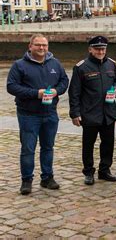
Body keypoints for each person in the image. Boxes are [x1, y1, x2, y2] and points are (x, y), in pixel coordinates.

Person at [7, 34, 69, 195]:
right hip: (28, 115)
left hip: (50, 113)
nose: (41, 48)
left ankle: (47, 177)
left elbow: (64, 81)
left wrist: (57, 91)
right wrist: (36, 93)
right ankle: (26, 180)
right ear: (30, 46)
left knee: (48, 147)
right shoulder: (19, 65)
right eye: (38, 45)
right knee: (28, 149)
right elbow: (11, 87)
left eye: (44, 45)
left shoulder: (55, 63)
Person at [68, 35, 116, 185]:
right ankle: (88, 172)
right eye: (97, 49)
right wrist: (75, 113)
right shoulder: (81, 67)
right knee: (88, 145)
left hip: (108, 113)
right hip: (89, 113)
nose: (100, 51)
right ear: (90, 49)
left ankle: (105, 170)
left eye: (103, 48)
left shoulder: (111, 65)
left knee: (108, 143)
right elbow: (74, 92)